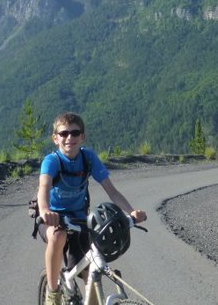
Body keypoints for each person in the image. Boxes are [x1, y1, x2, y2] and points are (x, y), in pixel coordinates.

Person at [37, 112, 146, 305]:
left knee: (91, 274)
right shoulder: (52, 161)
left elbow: (112, 191)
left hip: (80, 220)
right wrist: (45, 210)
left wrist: (131, 212)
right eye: (63, 134)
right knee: (57, 236)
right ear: (55, 138)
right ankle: (53, 292)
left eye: (75, 133)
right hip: (53, 218)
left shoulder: (88, 158)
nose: (69, 137)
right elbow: (43, 188)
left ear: (82, 136)